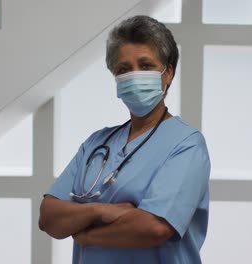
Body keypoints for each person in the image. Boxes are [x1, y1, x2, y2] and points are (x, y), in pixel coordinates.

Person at [39, 15, 211, 264]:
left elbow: (154, 227)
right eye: (124, 69)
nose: (134, 75)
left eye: (145, 65)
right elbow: (49, 218)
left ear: (168, 74)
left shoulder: (187, 144)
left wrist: (87, 235)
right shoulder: (96, 143)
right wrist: (101, 209)